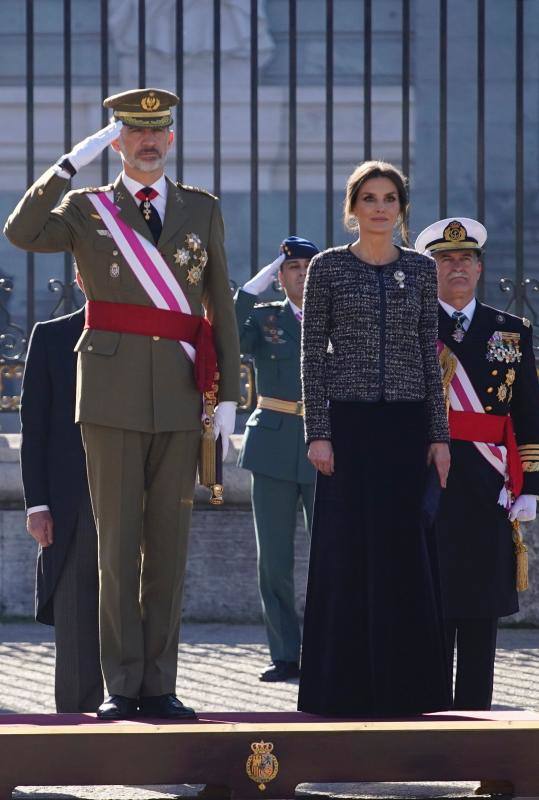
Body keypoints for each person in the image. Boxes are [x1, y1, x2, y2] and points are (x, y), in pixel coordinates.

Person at [5, 88, 240, 720]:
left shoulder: (200, 209)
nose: (147, 141)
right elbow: (21, 231)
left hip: (180, 391)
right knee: (116, 543)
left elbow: (219, 298)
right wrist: (66, 166)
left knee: (169, 543)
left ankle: (159, 682)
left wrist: (228, 399)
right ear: (117, 140)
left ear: (171, 137)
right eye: (133, 132)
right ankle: (122, 683)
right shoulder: (88, 209)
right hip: (107, 395)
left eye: (157, 131)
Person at [298, 160, 452, 717]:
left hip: (407, 426)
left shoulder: (420, 268)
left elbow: (428, 354)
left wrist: (440, 436)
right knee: (344, 554)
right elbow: (312, 355)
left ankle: (408, 691)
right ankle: (339, 690)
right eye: (369, 197)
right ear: (352, 207)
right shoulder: (328, 268)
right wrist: (319, 432)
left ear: (402, 210)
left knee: (404, 554)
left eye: (390, 198)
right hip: (349, 426)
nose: (380, 207)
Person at [415, 217, 539, 713]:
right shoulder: (416, 326)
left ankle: (477, 717)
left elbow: (529, 413)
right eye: (446, 260)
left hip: (490, 485)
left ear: (481, 269)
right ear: (431, 270)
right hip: (430, 478)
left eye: (466, 259)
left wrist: (530, 485)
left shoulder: (512, 330)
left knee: (482, 604)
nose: (457, 267)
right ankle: (428, 712)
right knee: (432, 599)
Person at [235, 236, 319, 682]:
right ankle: (286, 652)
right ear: (280, 275)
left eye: (308, 266)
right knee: (275, 559)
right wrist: (253, 287)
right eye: (292, 268)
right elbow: (226, 334)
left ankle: (327, 646)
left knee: (330, 554)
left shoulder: (338, 318)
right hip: (271, 447)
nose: (301, 274)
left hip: (327, 448)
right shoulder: (265, 318)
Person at [20, 296, 103, 713]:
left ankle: (138, 714)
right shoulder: (51, 337)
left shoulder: (146, 334)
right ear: (78, 276)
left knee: (138, 616)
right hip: (73, 501)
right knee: (74, 615)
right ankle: (77, 721)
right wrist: (37, 505)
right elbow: (33, 429)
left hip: (135, 495)